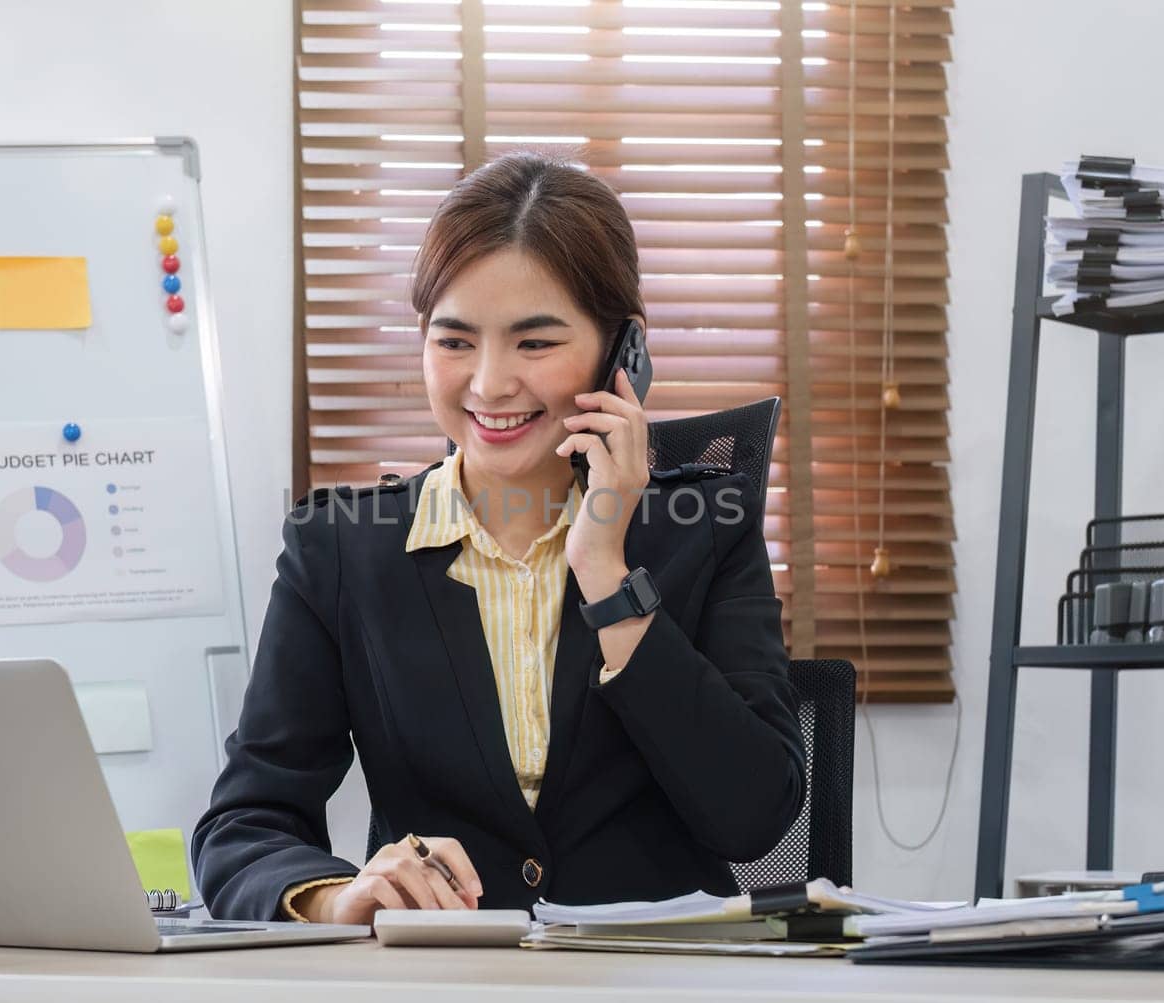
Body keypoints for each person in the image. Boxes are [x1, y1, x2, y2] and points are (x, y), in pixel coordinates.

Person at [193, 152, 806, 924]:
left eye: (535, 343)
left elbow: (755, 817)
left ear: (625, 356)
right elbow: (243, 826)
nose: (487, 383)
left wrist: (607, 573)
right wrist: (336, 895)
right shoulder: (340, 549)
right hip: (447, 980)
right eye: (453, 342)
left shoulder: (704, 531)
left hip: (650, 976)